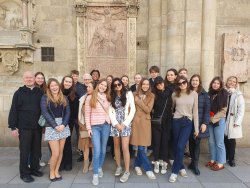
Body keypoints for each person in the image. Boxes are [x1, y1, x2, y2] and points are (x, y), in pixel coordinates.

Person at [8, 71, 44, 183]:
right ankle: (24, 173)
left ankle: (34, 169)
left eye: (31, 77)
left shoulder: (40, 92)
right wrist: (13, 127)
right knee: (25, 151)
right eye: (26, 77)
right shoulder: (18, 93)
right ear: (24, 79)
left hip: (37, 127)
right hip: (24, 128)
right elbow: (13, 110)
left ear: (34, 79)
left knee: (36, 150)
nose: (29, 79)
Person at [169, 76, 199, 183]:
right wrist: (174, 115)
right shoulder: (174, 94)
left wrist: (196, 128)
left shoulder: (194, 94)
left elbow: (195, 112)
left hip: (187, 122)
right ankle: (181, 167)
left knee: (181, 145)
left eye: (184, 82)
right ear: (177, 84)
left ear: (187, 82)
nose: (182, 84)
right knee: (177, 146)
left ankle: (174, 171)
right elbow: (172, 108)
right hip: (176, 121)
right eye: (179, 83)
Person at [41, 78, 71, 181]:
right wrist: (55, 125)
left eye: (56, 85)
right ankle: (51, 172)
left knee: (61, 151)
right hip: (51, 126)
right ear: (49, 87)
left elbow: (67, 112)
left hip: (63, 126)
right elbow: (45, 113)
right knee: (56, 153)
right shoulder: (45, 98)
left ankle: (57, 171)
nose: (54, 87)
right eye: (52, 86)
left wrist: (63, 124)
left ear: (59, 86)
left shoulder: (64, 97)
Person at [109, 78, 136, 183]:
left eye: (118, 84)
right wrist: (115, 124)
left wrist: (124, 124)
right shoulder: (111, 95)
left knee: (125, 147)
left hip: (125, 123)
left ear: (122, 84)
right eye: (114, 85)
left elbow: (133, 109)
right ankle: (119, 166)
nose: (117, 86)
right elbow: (110, 111)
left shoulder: (129, 94)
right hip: (115, 124)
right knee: (116, 146)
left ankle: (127, 171)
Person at [85, 79, 111, 186]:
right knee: (97, 150)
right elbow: (87, 114)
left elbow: (110, 111)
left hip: (106, 125)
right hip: (95, 127)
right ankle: (95, 174)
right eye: (101, 85)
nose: (103, 87)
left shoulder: (108, 97)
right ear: (98, 85)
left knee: (104, 150)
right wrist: (89, 128)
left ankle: (99, 167)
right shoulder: (90, 97)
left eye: (105, 86)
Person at [130, 78, 156, 179]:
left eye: (147, 84)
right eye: (143, 84)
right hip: (136, 121)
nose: (145, 86)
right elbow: (130, 108)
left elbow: (148, 109)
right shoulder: (133, 94)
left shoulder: (151, 95)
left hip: (145, 122)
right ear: (140, 85)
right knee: (140, 146)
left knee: (142, 146)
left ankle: (138, 165)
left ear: (149, 86)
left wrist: (139, 101)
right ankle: (147, 168)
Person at [188, 74, 210, 175]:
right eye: (193, 80)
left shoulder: (204, 94)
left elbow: (207, 110)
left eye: (196, 80)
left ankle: (195, 165)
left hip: (199, 122)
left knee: (196, 143)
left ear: (199, 82)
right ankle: (192, 162)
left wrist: (205, 123)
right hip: (188, 122)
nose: (194, 82)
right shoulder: (187, 92)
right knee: (191, 143)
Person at [206, 76, 228, 171]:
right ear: (211, 84)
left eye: (218, 83)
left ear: (220, 85)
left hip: (219, 121)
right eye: (214, 83)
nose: (215, 84)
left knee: (219, 142)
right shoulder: (209, 94)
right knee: (211, 142)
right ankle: (213, 159)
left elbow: (224, 110)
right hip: (210, 121)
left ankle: (221, 162)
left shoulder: (224, 94)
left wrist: (212, 118)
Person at [151, 76, 172, 175]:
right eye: (157, 84)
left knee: (165, 142)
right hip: (156, 121)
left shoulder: (170, 92)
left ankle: (164, 162)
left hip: (167, 121)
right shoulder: (154, 94)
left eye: (161, 83)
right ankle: (156, 161)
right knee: (156, 142)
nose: (160, 85)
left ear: (164, 83)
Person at [224, 76, 245, 167]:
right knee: (223, 139)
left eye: (234, 81)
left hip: (232, 119)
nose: (231, 82)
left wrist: (237, 121)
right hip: (223, 118)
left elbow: (241, 108)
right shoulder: (223, 92)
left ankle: (231, 159)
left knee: (231, 140)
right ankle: (224, 156)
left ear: (236, 84)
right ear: (227, 81)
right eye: (230, 81)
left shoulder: (238, 94)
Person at [60, 75, 79, 171]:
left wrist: (71, 120)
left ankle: (68, 162)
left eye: (70, 82)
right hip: (57, 122)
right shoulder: (57, 92)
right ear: (63, 82)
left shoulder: (74, 95)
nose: (67, 83)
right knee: (58, 143)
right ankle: (60, 162)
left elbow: (75, 110)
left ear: (72, 84)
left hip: (68, 122)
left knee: (67, 142)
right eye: (66, 81)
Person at [78, 81, 96, 173]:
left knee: (93, 146)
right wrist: (81, 125)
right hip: (84, 125)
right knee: (85, 146)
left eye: (90, 87)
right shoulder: (83, 98)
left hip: (94, 126)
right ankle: (86, 163)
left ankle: (92, 162)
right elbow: (79, 114)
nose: (88, 88)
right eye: (87, 87)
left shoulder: (97, 98)